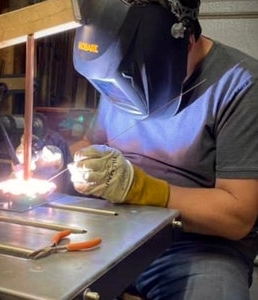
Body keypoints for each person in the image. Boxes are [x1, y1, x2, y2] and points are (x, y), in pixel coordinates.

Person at [65, 0, 258, 299]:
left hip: (195, 249)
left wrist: (141, 189)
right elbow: (92, 142)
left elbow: (236, 216)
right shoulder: (122, 66)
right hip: (112, 230)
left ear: (187, 38)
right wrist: (76, 159)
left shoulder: (241, 84)